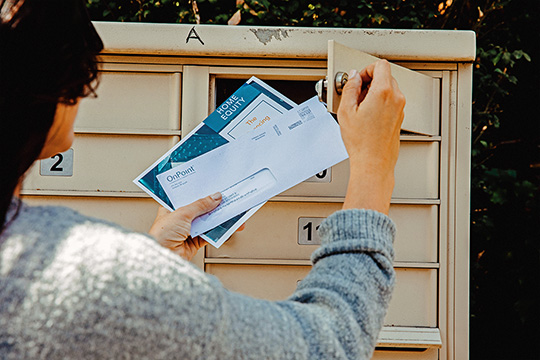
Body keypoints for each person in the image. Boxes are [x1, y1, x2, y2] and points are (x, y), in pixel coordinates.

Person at [0, 1, 405, 359]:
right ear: (55, 88)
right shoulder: (92, 278)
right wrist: (373, 162)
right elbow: (330, 344)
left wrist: (153, 263)